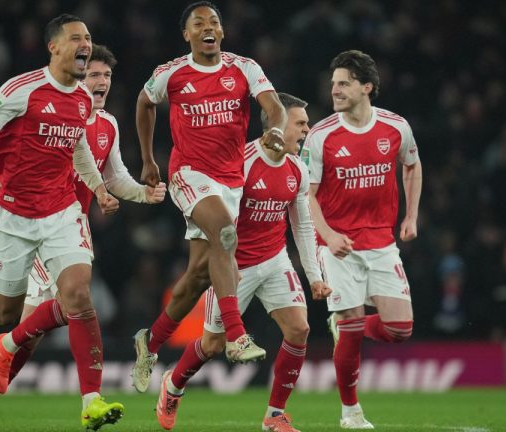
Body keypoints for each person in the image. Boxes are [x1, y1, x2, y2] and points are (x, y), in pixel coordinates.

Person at [0, 43, 166, 432]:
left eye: (105, 76)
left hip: (67, 226)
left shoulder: (108, 125)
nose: (100, 83)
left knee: (74, 302)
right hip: (30, 221)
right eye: (92, 76)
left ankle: (79, 399)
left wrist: (141, 193)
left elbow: (114, 176)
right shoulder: (47, 109)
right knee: (18, 319)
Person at [0, 15, 125, 430]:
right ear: (53, 46)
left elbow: (79, 151)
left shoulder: (84, 100)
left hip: (60, 212)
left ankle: (91, 400)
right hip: (11, 216)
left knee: (78, 296)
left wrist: (99, 188)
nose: (85, 44)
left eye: (88, 38)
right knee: (3, 313)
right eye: (76, 38)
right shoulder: (21, 90)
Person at [132, 0, 288, 392]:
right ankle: (236, 335)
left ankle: (148, 343)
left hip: (229, 182)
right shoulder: (171, 73)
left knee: (198, 275)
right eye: (198, 22)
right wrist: (149, 159)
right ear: (186, 35)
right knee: (223, 232)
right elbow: (144, 103)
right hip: (188, 174)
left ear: (222, 31)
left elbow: (274, 107)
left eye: (214, 21)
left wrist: (276, 130)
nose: (208, 26)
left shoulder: (244, 68)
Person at [153, 93, 332, 432]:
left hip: (275, 259)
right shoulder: (240, 163)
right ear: (276, 126)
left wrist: (314, 276)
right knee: (212, 344)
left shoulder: (297, 168)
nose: (307, 130)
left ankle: (275, 415)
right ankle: (173, 385)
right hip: (234, 268)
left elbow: (303, 225)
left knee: (300, 329)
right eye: (300, 123)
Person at [302, 50, 421, 429]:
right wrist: (328, 235)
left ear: (366, 87)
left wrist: (411, 215)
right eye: (333, 83)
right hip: (338, 248)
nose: (333, 90)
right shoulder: (321, 136)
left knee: (400, 330)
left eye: (343, 83)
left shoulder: (395, 127)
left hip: (382, 243)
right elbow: (307, 195)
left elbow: (412, 165)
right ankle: (351, 412)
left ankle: (344, 327)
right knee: (352, 323)